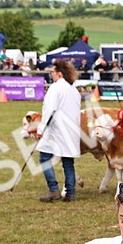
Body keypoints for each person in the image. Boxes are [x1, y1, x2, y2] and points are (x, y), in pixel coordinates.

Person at [34, 59, 83, 202]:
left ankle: (53, 190)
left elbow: (49, 110)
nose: (51, 75)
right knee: (68, 161)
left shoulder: (55, 88)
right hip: (71, 129)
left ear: (59, 74)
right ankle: (70, 192)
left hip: (56, 130)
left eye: (52, 72)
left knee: (44, 158)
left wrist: (41, 128)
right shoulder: (74, 90)